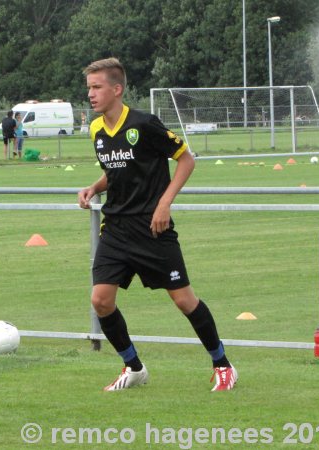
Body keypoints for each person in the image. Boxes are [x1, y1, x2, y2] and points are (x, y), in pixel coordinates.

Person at [77, 58, 237, 392]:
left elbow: (186, 159)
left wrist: (164, 202)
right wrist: (95, 187)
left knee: (184, 301)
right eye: (89, 87)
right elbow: (117, 169)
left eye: (97, 87)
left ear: (116, 89)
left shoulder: (144, 123)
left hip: (153, 230)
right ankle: (133, 367)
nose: (90, 94)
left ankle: (223, 365)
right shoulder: (96, 130)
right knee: (101, 301)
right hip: (116, 229)